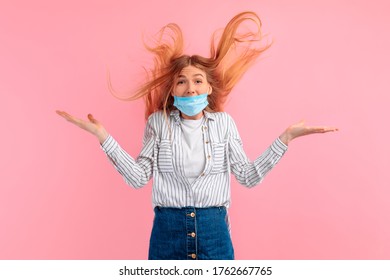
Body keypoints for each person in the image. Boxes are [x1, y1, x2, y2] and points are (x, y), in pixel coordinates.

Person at [56, 11, 338, 260]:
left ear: (208, 89)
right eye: (181, 81)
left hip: (213, 231)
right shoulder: (159, 123)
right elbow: (137, 177)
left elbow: (248, 177)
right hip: (167, 232)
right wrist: (103, 137)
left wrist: (286, 138)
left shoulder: (224, 124)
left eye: (197, 80)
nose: (190, 88)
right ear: (172, 91)